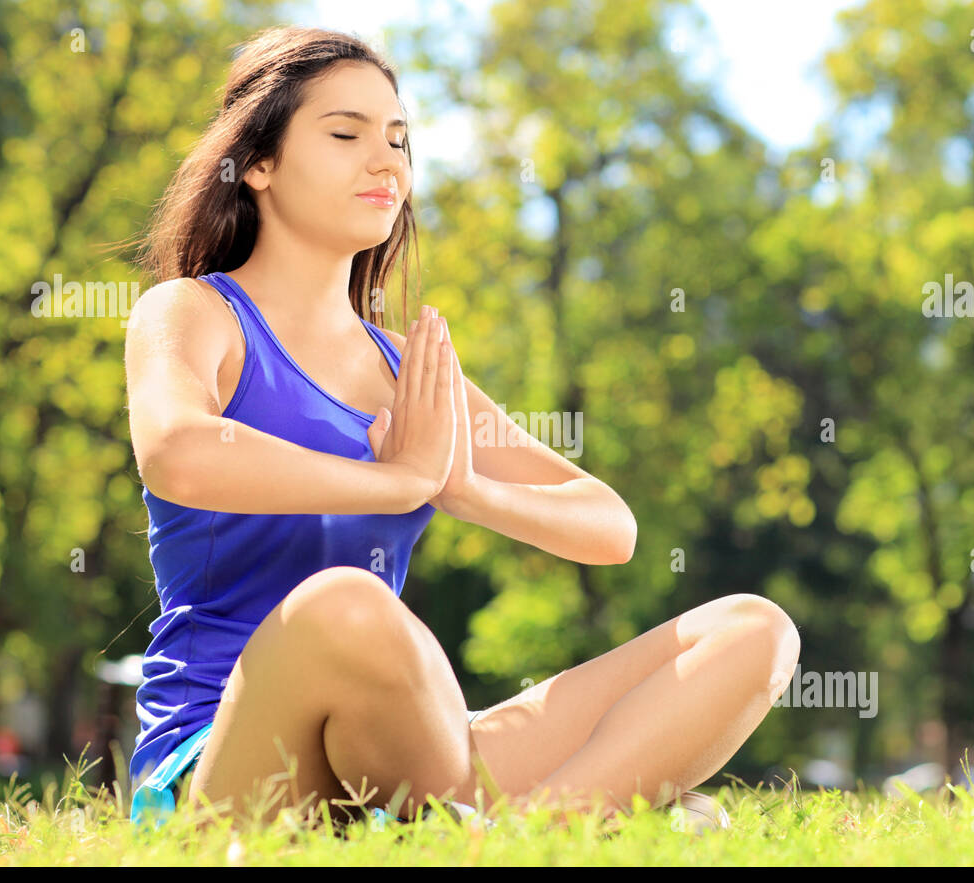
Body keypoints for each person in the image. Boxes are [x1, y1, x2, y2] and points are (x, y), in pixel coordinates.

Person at [123, 25, 800, 832]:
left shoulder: (405, 367)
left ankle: (522, 838)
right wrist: (394, 480)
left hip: (396, 760)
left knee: (755, 630)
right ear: (258, 164)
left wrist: (463, 487)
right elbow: (178, 455)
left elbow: (608, 526)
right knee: (348, 606)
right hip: (222, 763)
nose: (387, 162)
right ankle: (587, 820)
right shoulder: (196, 314)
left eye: (399, 140)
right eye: (346, 134)